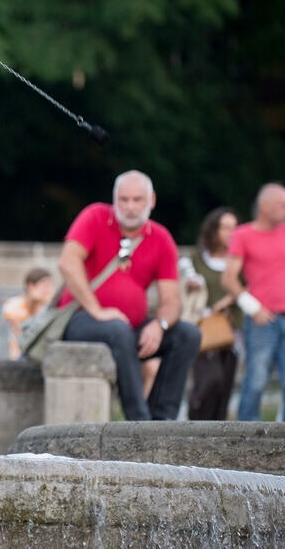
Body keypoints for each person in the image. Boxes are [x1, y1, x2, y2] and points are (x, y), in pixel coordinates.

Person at [56, 170, 201, 420]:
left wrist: (160, 324)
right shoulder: (95, 216)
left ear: (151, 200)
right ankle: (137, 420)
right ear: (114, 199)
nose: (130, 207)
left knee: (188, 335)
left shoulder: (161, 238)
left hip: (127, 327)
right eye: (123, 200)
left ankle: (161, 420)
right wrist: (97, 310)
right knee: (117, 329)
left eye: (137, 200)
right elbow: (68, 263)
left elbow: (172, 300)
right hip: (81, 319)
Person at [222, 183, 285, 422]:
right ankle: (245, 439)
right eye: (283, 204)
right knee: (256, 381)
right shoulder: (243, 235)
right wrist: (253, 307)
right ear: (264, 206)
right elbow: (228, 279)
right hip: (263, 321)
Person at [186, 207, 243, 420]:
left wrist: (229, 299)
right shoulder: (198, 259)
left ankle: (217, 433)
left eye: (234, 228)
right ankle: (195, 423)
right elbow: (185, 279)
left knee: (225, 386)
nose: (230, 233)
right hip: (204, 328)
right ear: (214, 229)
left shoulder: (239, 260)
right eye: (225, 227)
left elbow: (251, 285)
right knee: (210, 379)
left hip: (230, 329)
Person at [2, 268, 55, 359]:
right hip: (20, 353)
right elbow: (22, 334)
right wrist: (35, 302)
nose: (48, 289)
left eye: (50, 285)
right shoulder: (13, 304)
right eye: (44, 285)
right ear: (31, 286)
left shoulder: (50, 305)